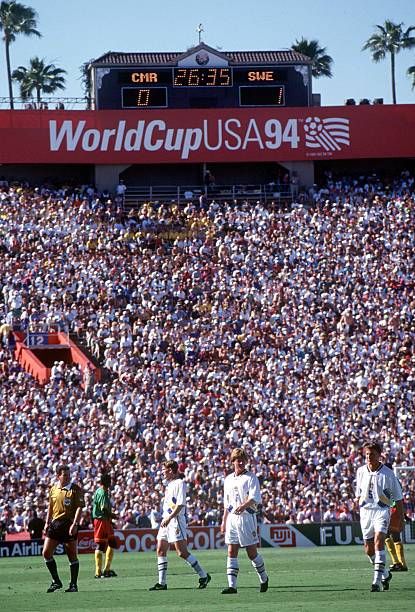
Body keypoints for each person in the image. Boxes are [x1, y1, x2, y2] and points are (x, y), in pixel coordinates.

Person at [149, 460, 211, 591]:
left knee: (181, 552)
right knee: (160, 549)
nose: (162, 473)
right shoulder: (169, 484)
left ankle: (203, 575)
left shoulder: (180, 483)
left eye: (164, 470)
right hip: (166, 520)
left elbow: (180, 504)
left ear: (171, 470)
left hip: (176, 520)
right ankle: (162, 583)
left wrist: (170, 518)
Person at [356, 442, 404, 592]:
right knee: (369, 550)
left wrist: (401, 518)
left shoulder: (388, 474)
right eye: (367, 454)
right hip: (365, 512)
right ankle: (385, 574)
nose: (369, 457)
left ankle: (376, 583)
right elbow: (359, 492)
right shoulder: (361, 471)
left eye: (372, 454)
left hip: (382, 511)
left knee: (379, 542)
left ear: (379, 455)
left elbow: (398, 497)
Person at [220, 448, 268, 595]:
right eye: (237, 459)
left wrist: (243, 506)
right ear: (232, 461)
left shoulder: (251, 477)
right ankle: (232, 586)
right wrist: (224, 521)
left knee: (251, 553)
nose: (240, 462)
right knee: (231, 550)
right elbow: (226, 503)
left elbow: (255, 498)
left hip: (246, 517)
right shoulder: (228, 479)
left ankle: (264, 578)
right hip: (232, 519)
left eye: (242, 460)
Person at [43, 464, 85, 593]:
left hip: (69, 525)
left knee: (72, 555)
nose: (67, 477)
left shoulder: (75, 489)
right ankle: (56, 581)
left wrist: (75, 524)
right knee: (46, 553)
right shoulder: (53, 489)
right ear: (58, 476)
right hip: (55, 525)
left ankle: (73, 585)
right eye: (64, 475)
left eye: (68, 475)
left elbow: (79, 507)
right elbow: (50, 506)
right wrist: (47, 522)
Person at [92, 473, 118, 579]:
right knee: (104, 544)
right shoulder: (103, 492)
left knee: (110, 543)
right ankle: (102, 571)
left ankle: (103, 570)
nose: (111, 482)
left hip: (101, 520)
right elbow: (103, 508)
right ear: (107, 482)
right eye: (110, 481)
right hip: (102, 520)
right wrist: (112, 515)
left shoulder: (98, 490)